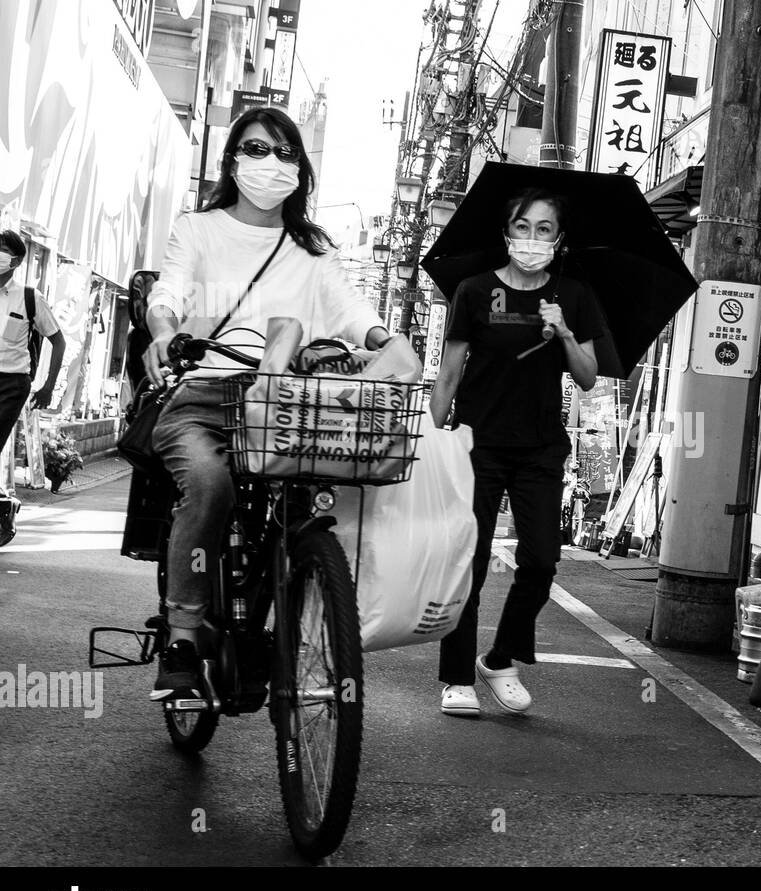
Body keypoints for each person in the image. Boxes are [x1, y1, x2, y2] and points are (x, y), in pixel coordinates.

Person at [144, 107, 393, 700]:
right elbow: (170, 289)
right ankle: (182, 637)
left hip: (286, 404)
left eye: (284, 153)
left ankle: (304, 595)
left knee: (317, 497)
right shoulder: (198, 229)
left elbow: (350, 309)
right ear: (232, 160)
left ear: (301, 170)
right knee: (209, 484)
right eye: (256, 149)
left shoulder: (312, 248)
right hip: (205, 393)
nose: (270, 163)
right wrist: (163, 329)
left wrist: (386, 342)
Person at [430, 188, 602, 717]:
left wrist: (564, 331)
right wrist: (432, 441)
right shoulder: (475, 291)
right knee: (471, 562)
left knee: (541, 561)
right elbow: (450, 370)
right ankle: (457, 677)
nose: (532, 238)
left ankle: (500, 657)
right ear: (507, 233)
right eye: (523, 227)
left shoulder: (573, 295)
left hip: (541, 449)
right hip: (477, 443)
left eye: (544, 229)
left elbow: (588, 376)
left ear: (559, 239)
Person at [0, 229, 66, 546]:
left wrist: (49, 386)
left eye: (1, 250)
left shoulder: (28, 296)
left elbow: (58, 339)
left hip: (11, 384)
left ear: (15, 260)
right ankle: (4, 504)